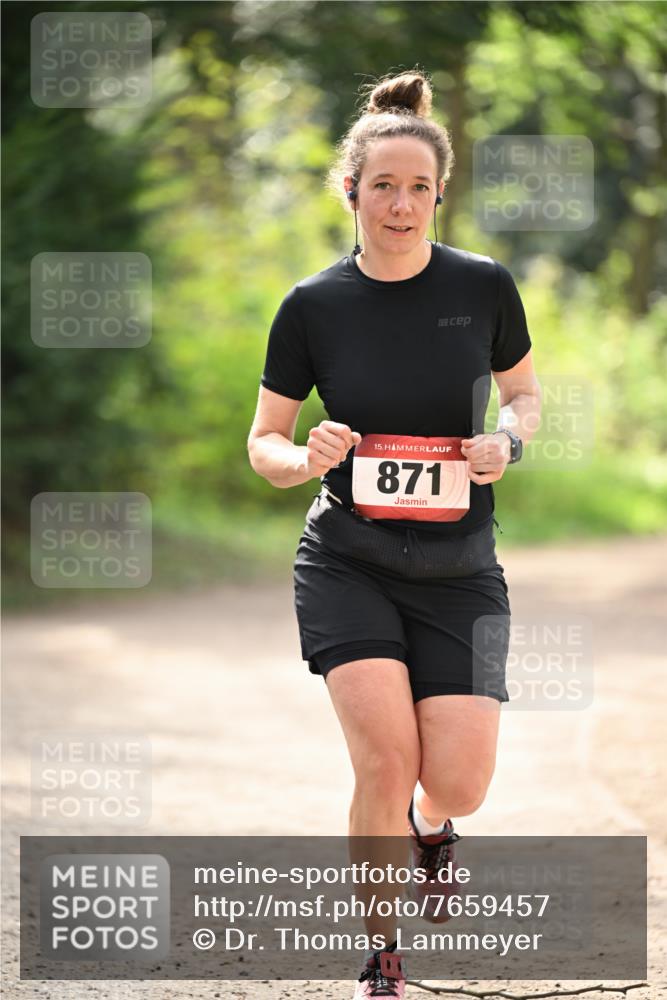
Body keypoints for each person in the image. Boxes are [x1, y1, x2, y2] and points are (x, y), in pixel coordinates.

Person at [247, 68, 542, 999]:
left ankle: (433, 829)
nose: (401, 203)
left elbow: (525, 395)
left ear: (438, 194)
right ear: (351, 191)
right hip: (348, 560)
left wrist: (506, 440)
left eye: (418, 187)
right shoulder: (312, 306)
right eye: (383, 185)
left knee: (454, 782)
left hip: (459, 567)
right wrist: (303, 458)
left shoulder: (484, 287)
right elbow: (263, 440)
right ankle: (383, 951)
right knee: (384, 760)